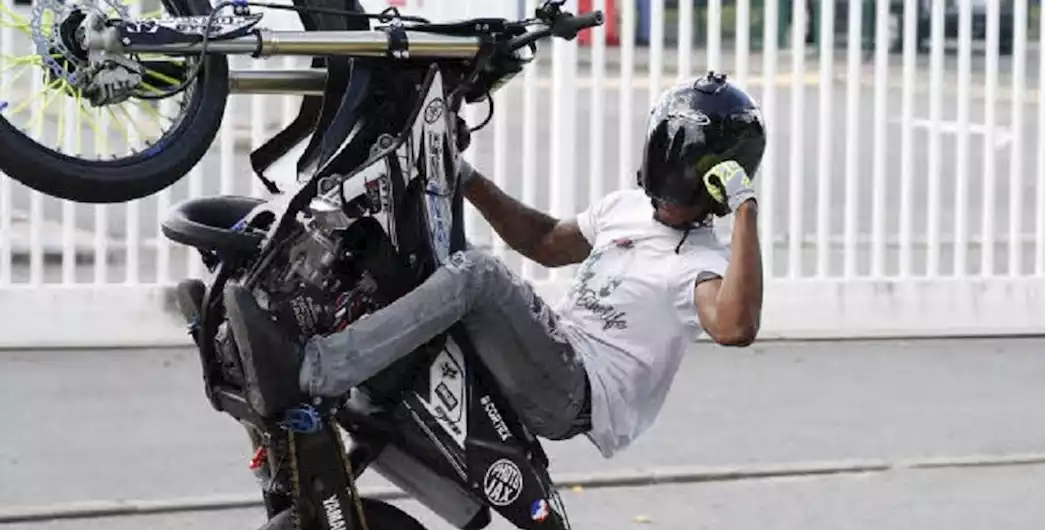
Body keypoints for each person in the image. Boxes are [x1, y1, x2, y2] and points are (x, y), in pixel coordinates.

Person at [225, 71, 766, 458]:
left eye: (688, 192)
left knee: (477, 276)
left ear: (717, 188)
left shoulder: (703, 263)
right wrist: (467, 178)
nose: (669, 202)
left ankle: (316, 369)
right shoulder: (625, 206)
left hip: (574, 391)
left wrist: (744, 209)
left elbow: (735, 326)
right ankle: (281, 334)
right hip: (551, 349)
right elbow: (546, 241)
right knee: (414, 265)